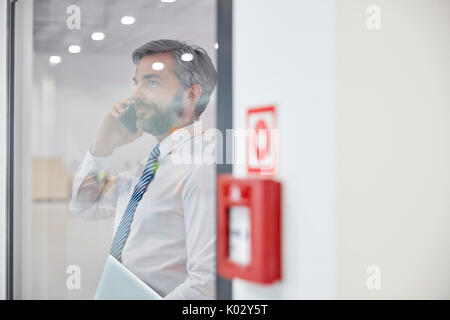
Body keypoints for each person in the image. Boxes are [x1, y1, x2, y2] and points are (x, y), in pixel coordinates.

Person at [69, 39, 217, 299]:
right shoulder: (149, 166)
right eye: (136, 83)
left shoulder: (201, 167)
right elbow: (84, 206)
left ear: (191, 95)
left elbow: (207, 284)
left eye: (151, 83)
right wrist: (101, 148)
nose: (135, 95)